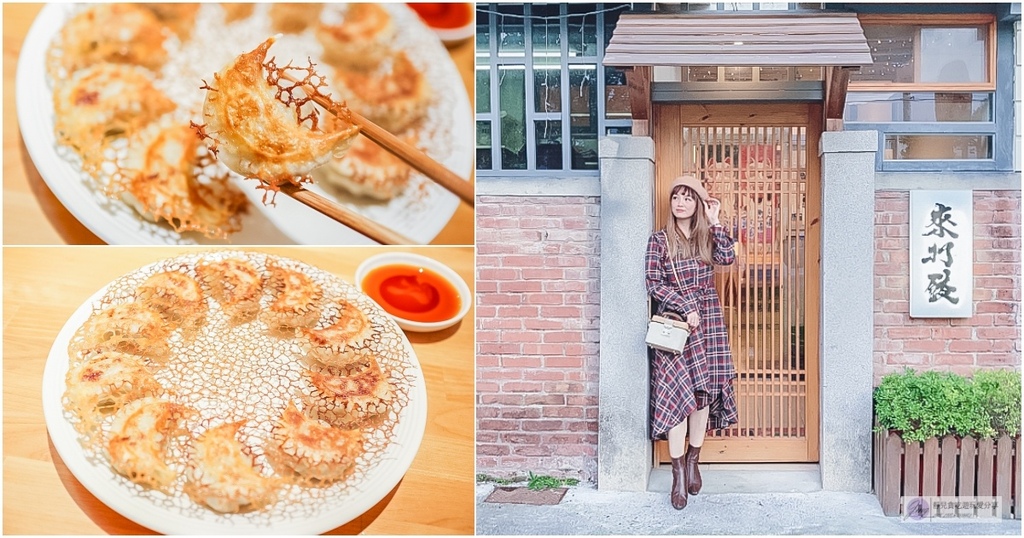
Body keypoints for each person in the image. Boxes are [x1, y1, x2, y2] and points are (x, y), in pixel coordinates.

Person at [644, 175, 739, 510]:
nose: (680, 202)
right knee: (677, 398)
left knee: (701, 398)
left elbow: (727, 258)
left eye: (687, 197)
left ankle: (695, 460)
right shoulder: (659, 240)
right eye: (676, 197)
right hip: (675, 328)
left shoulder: (705, 236)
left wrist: (715, 222)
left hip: (708, 323)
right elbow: (653, 283)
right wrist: (684, 306)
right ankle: (678, 472)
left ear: (697, 204)